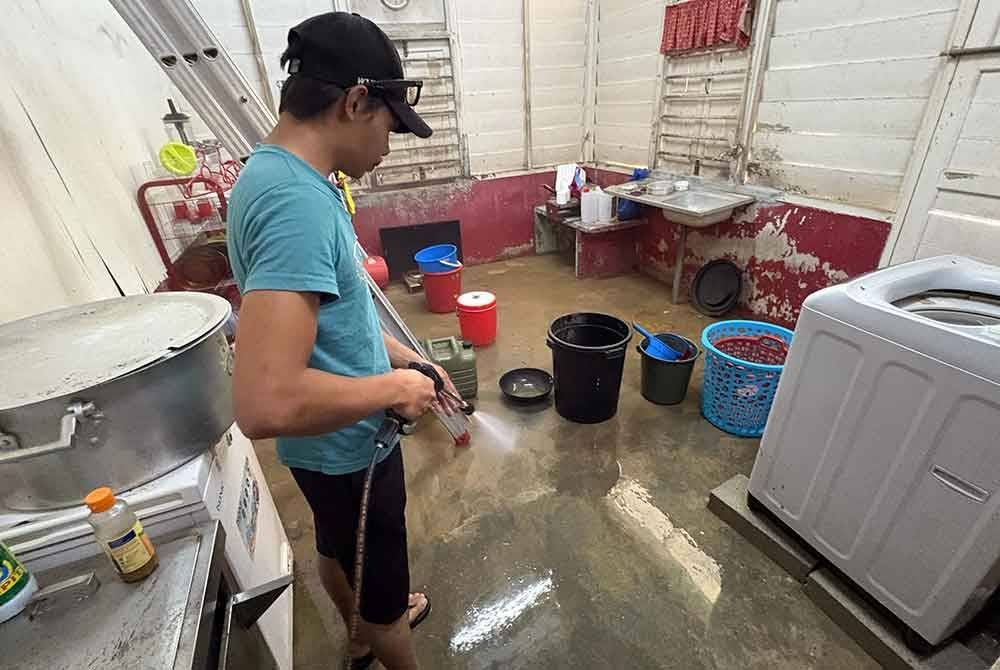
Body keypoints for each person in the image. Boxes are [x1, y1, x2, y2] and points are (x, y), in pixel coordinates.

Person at [226, 12, 458, 670]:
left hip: (323, 448)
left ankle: (361, 628)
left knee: (334, 547)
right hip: (349, 448)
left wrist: (401, 356)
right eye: (388, 126)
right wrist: (394, 388)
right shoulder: (296, 204)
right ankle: (380, 627)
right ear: (356, 102)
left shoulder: (276, 178)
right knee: (387, 601)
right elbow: (264, 400)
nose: (389, 146)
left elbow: (334, 319)